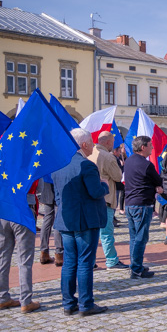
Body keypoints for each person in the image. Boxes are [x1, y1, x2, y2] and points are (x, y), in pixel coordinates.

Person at [52, 128, 110, 315]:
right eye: (92, 141)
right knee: (85, 262)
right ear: (84, 144)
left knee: (70, 262)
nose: (93, 144)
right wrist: (104, 185)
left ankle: (69, 304)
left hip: (66, 219)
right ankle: (86, 304)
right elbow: (95, 192)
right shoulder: (86, 165)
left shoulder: (58, 164)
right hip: (85, 220)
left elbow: (58, 196)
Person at [124, 135, 164, 278]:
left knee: (134, 237)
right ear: (143, 147)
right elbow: (158, 179)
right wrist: (156, 186)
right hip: (141, 204)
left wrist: (154, 186)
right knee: (140, 237)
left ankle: (136, 265)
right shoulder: (146, 164)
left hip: (130, 203)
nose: (152, 148)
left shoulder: (128, 161)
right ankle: (136, 269)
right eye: (150, 145)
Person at [89, 130, 128, 269]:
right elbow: (118, 176)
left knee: (91, 233)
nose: (113, 145)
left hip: (90, 198)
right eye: (112, 142)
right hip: (105, 197)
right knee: (106, 232)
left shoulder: (88, 153)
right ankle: (111, 259)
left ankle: (90, 260)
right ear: (107, 142)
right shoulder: (108, 156)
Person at [0, 216, 41, 314]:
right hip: (22, 212)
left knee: (1, 258)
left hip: (2, 214)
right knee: (25, 261)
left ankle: (2, 297)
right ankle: (26, 301)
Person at [37, 179, 63, 266]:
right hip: (57, 180)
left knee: (47, 218)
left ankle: (44, 252)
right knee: (58, 217)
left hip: (46, 181)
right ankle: (59, 253)